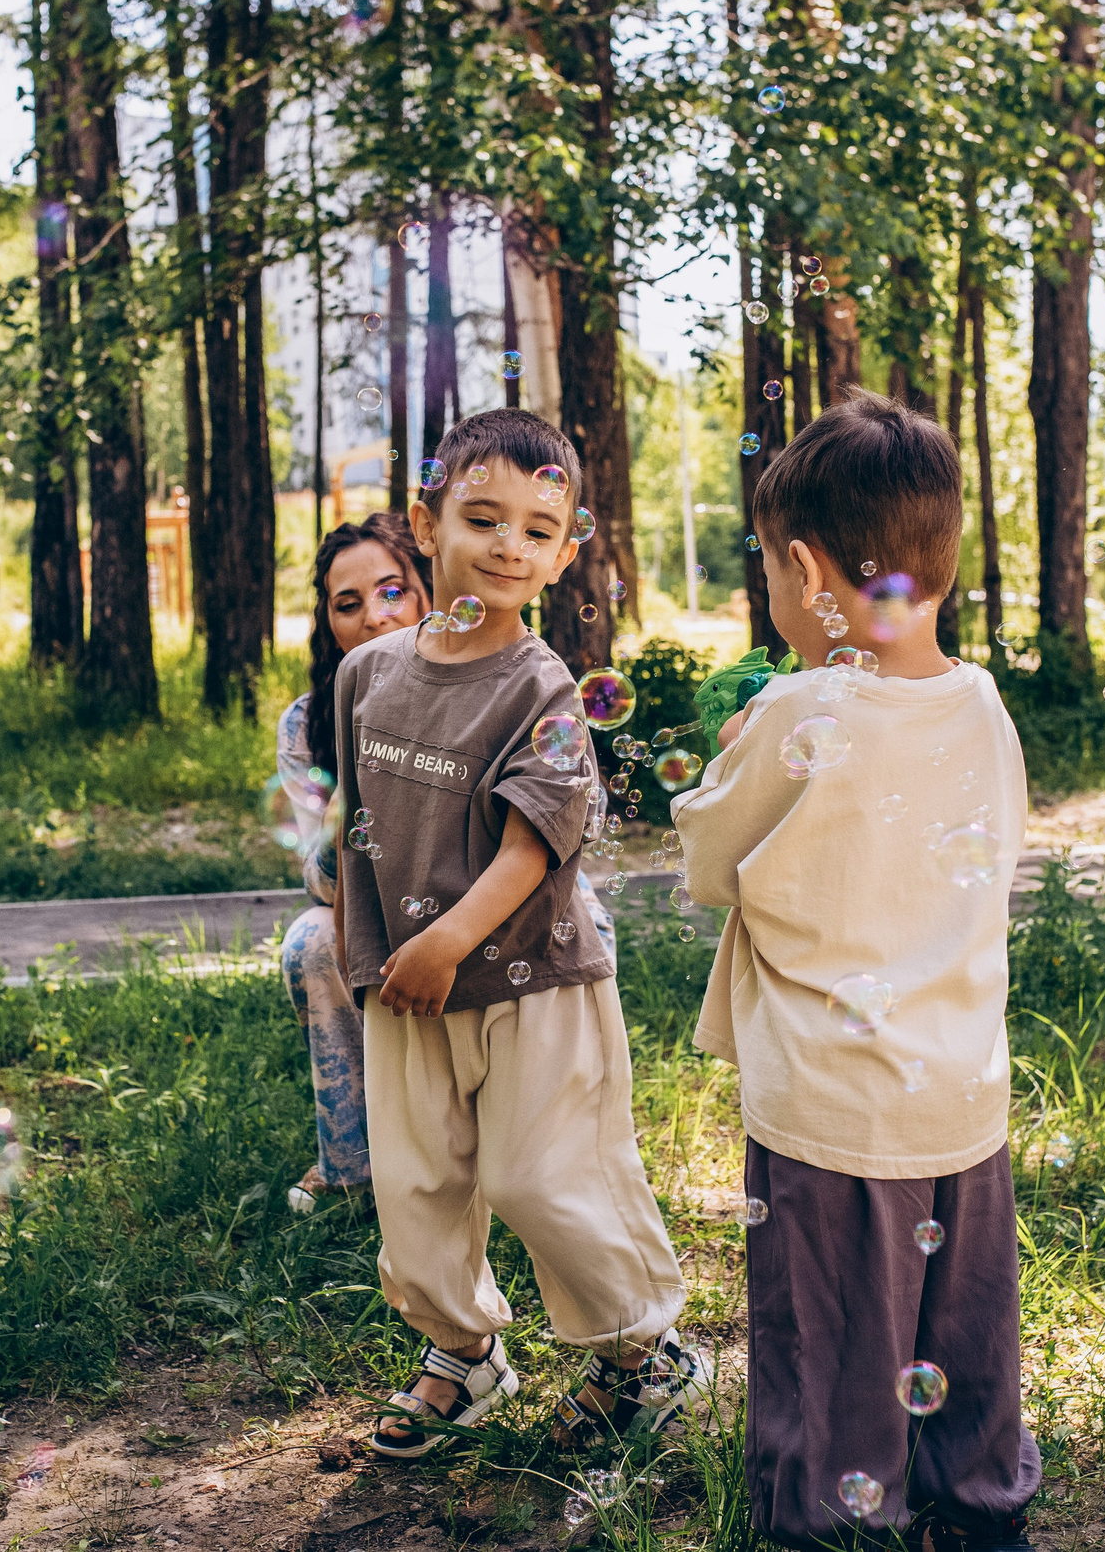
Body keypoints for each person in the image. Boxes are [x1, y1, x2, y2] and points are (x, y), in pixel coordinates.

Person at [673, 389, 1042, 1552]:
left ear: (803, 569)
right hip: (959, 1095)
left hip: (828, 1111)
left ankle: (830, 1521)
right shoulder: (982, 703)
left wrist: (728, 759)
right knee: (964, 1333)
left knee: (828, 1342)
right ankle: (979, 1506)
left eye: (772, 573)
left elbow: (709, 862)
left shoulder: (798, 709)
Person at [331, 409, 707, 1460]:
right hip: (405, 981)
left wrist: (448, 939)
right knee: (415, 1183)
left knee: (545, 1175)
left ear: (563, 552)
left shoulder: (541, 687)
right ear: (426, 525)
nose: (509, 545)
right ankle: (461, 1351)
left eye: (538, 529)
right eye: (483, 517)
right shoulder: (368, 674)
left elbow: (533, 844)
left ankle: (644, 1350)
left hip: (531, 975)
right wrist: (366, 948)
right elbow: (358, 823)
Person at [278, 513, 431, 1213]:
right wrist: (363, 780)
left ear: (428, 592)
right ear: (330, 624)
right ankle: (351, 1166)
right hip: (372, 908)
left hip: (485, 905)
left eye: (392, 590)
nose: (374, 616)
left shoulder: (488, 689)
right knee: (311, 940)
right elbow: (318, 877)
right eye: (348, 603)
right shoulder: (306, 723)